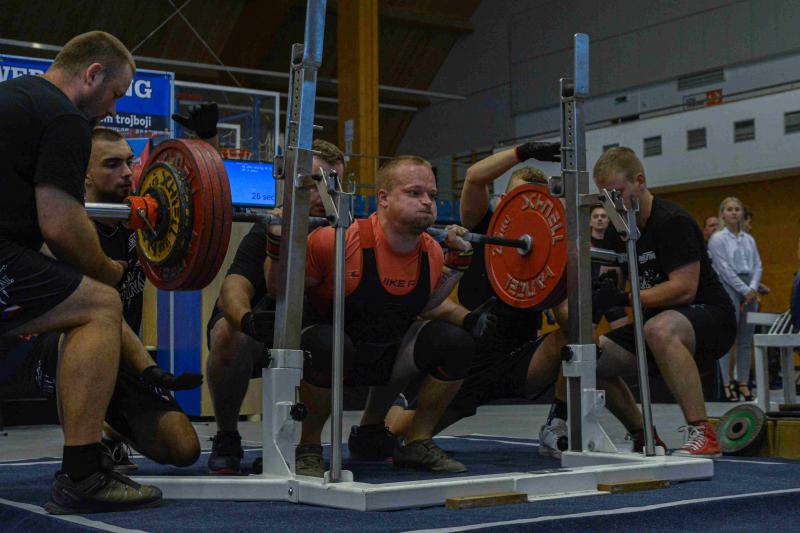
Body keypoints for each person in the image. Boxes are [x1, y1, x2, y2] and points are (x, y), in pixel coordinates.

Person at [0, 31, 161, 514]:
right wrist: (105, 270)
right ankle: (84, 474)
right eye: (115, 93)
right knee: (100, 305)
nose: (112, 108)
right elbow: (61, 223)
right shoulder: (64, 117)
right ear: (92, 74)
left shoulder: (13, 98)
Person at [0, 128, 203, 473]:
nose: (127, 173)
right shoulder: (62, 235)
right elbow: (98, 307)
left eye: (129, 162)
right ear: (84, 176)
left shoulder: (146, 226)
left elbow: (202, 203)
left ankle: (109, 431)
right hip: (55, 351)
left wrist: (204, 140)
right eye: (112, 164)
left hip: (123, 353)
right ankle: (84, 457)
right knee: (86, 322)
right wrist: (149, 368)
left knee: (183, 449)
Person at [267, 155, 481, 476]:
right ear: (383, 198)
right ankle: (308, 446)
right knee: (328, 343)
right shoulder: (336, 241)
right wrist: (275, 242)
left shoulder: (433, 251)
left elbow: (425, 305)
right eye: (414, 193)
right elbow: (279, 293)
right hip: (326, 357)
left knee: (455, 342)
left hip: (385, 355)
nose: (427, 202)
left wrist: (458, 265)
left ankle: (416, 441)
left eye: (432, 195)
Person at [385, 143, 567, 442]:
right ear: (503, 201)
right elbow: (474, 177)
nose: (527, 209)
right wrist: (523, 151)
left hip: (516, 359)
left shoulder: (548, 249)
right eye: (519, 199)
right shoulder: (483, 225)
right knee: (394, 439)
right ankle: (386, 426)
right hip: (469, 354)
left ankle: (558, 422)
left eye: (534, 202)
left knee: (574, 336)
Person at [204, 139, 344, 475]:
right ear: (293, 183)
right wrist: (246, 320)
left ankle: (316, 444)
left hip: (310, 331)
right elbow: (234, 288)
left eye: (333, 183)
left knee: (333, 342)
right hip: (262, 329)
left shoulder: (344, 233)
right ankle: (227, 436)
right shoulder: (271, 226)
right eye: (316, 182)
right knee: (228, 334)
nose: (324, 193)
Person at [590, 147, 736, 457]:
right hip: (656, 323)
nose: (613, 204)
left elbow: (684, 289)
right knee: (589, 357)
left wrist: (624, 297)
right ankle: (643, 434)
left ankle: (703, 433)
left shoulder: (672, 221)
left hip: (710, 317)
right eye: (606, 198)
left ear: (640, 181)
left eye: (618, 193)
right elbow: (608, 282)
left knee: (658, 329)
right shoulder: (619, 229)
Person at [707, 197, 762, 402]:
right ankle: (725, 383)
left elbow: (757, 265)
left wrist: (753, 288)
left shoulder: (749, 239)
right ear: (722, 213)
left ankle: (743, 382)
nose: (734, 213)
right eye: (729, 209)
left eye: (737, 209)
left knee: (746, 339)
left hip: (749, 286)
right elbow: (724, 268)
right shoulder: (718, 239)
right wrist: (745, 290)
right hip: (729, 285)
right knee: (727, 338)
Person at [590, 206, 629, 329]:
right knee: (586, 334)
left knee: (624, 331)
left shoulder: (617, 243)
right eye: (596, 216)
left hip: (613, 293)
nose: (599, 219)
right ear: (590, 222)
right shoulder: (584, 243)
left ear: (609, 220)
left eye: (603, 216)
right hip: (591, 295)